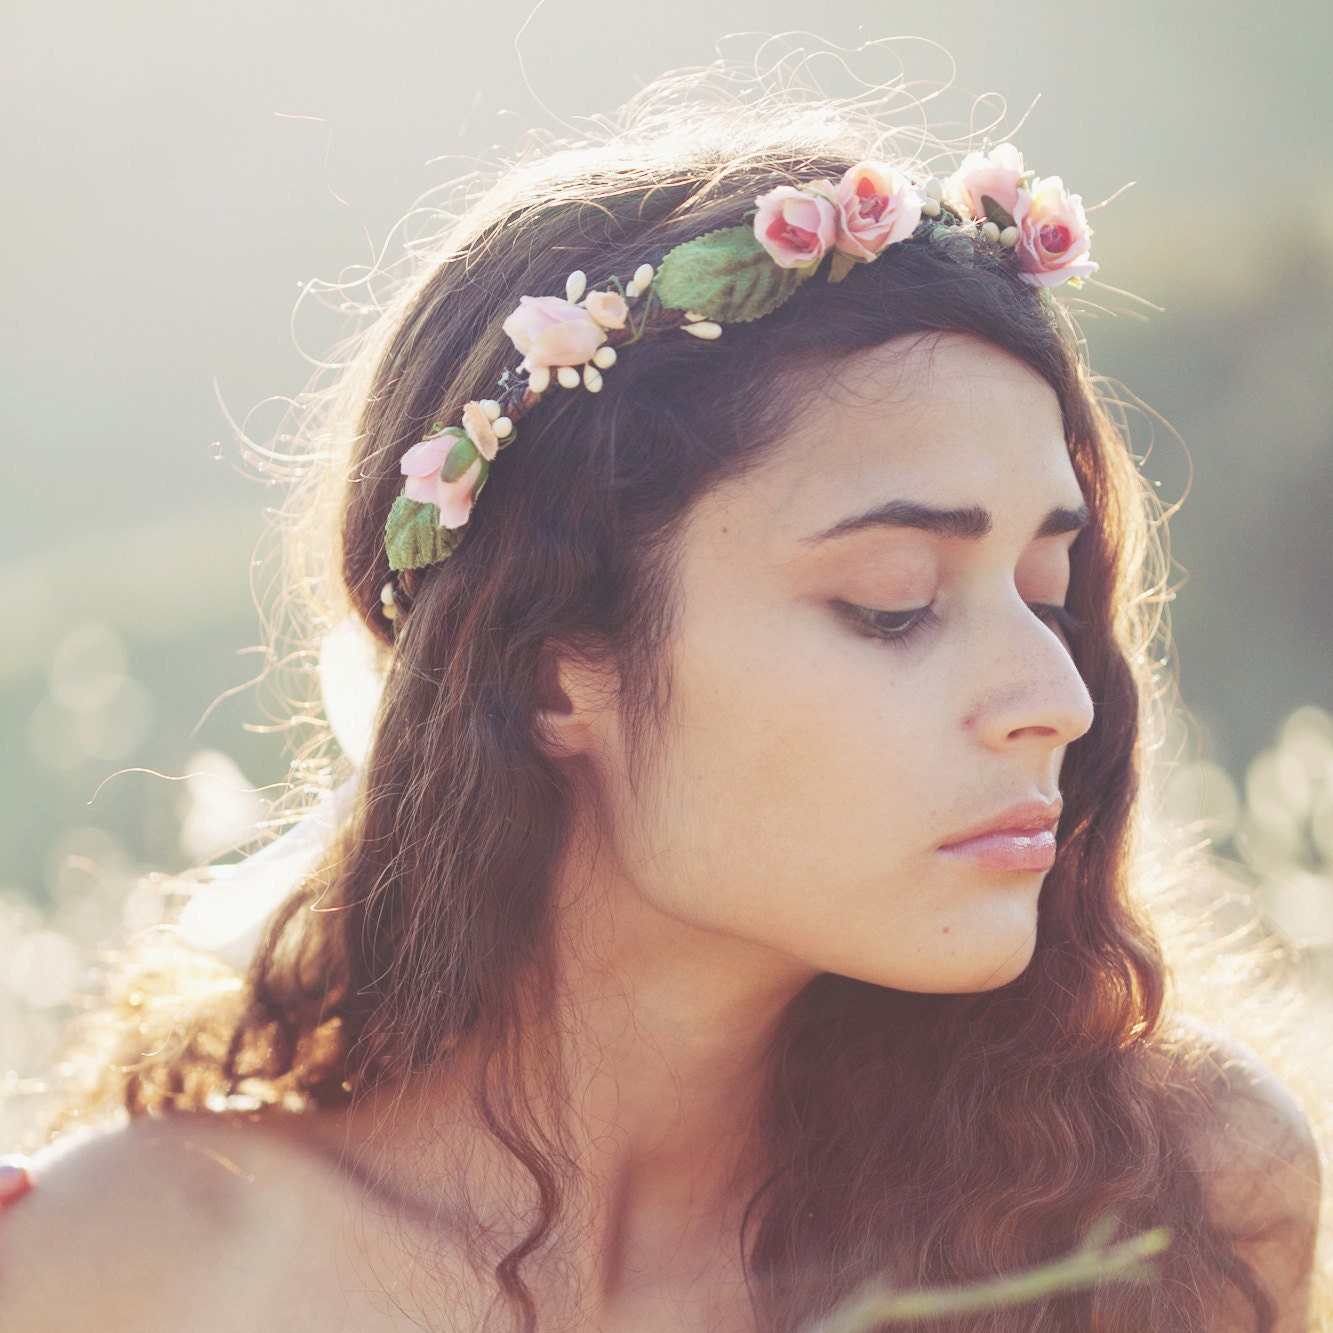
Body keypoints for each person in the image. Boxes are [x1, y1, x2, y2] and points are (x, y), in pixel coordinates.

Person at [0, 77, 1322, 1331]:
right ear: (547, 664)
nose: (1057, 699)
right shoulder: (127, 1265)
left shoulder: (1164, 1203)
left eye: (1047, 590)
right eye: (893, 600)